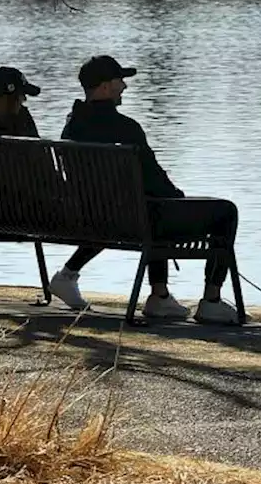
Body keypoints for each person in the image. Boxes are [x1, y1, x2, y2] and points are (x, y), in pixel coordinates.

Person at [48, 55, 240, 324]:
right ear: (104, 87)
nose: (124, 87)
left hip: (94, 217)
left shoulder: (72, 126)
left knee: (152, 205)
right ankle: (210, 301)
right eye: (119, 81)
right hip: (136, 219)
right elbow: (155, 180)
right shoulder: (125, 128)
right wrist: (179, 199)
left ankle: (160, 297)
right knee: (225, 212)